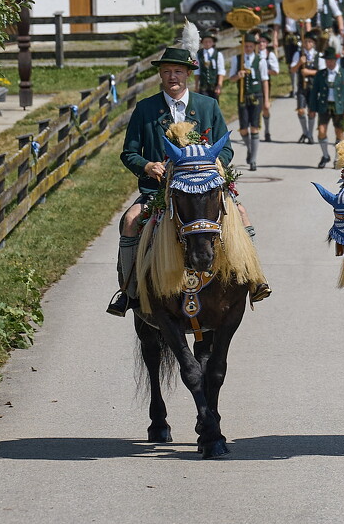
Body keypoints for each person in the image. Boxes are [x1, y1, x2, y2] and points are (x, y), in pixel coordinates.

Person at [108, 39, 269, 315]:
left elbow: (226, 147)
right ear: (160, 74)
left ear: (188, 74)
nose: (173, 77)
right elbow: (129, 153)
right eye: (168, 71)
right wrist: (148, 166)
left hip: (205, 189)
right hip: (159, 191)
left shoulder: (207, 106)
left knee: (241, 214)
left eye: (178, 72)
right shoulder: (145, 109)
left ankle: (253, 278)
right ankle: (130, 289)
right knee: (131, 220)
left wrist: (214, 163)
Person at [228, 32, 264, 171]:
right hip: (243, 96)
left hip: (256, 96)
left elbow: (264, 80)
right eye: (246, 46)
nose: (248, 48)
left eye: (250, 46)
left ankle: (253, 160)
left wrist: (266, 99)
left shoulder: (260, 60)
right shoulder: (237, 59)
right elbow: (231, 78)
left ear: (254, 47)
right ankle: (250, 149)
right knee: (243, 128)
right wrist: (238, 75)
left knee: (254, 127)